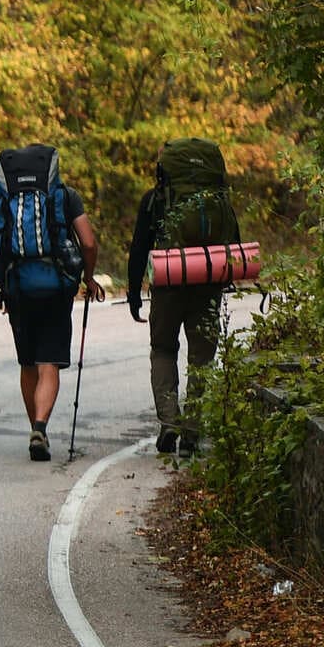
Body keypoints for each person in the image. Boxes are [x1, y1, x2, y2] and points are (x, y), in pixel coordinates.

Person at [0, 145, 103, 462]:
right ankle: (41, 427)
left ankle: (35, 428)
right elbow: (88, 241)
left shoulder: (4, 200)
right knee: (49, 363)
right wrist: (88, 277)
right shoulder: (65, 195)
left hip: (18, 288)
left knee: (28, 362)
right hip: (56, 288)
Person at [125, 139, 240, 455]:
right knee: (201, 357)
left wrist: (134, 292)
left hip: (168, 285)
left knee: (163, 349)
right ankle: (192, 432)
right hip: (208, 284)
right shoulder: (218, 201)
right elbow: (234, 240)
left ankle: (169, 423)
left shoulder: (155, 200)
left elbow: (139, 250)